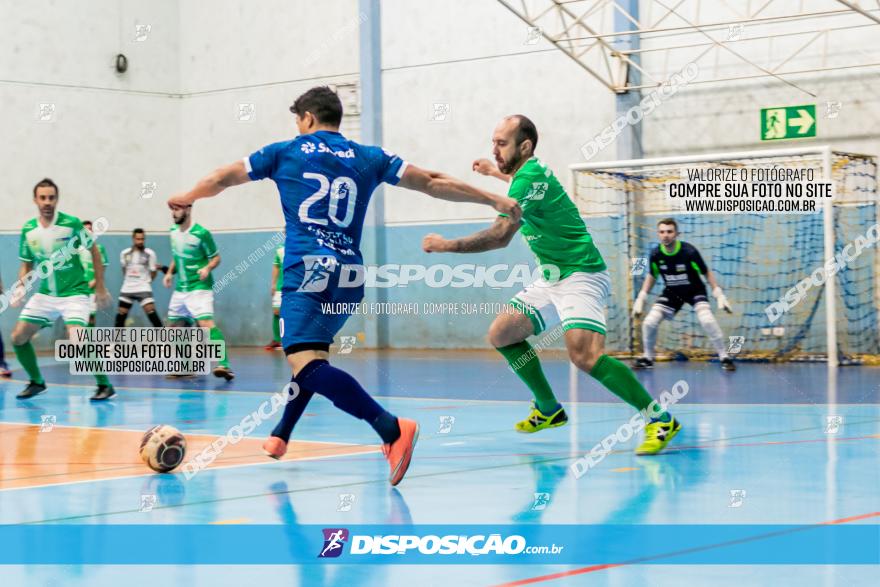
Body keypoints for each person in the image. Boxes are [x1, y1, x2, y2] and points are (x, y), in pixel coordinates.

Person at [167, 86, 520, 485]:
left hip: (308, 271)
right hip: (350, 275)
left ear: (308, 119)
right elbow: (433, 181)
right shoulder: (370, 157)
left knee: (307, 363)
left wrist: (186, 196)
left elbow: (220, 178)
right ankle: (282, 434)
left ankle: (391, 429)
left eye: (297, 121)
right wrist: (492, 199)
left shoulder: (284, 151)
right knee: (312, 359)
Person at [422, 114, 680, 455]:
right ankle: (548, 408)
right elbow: (517, 184)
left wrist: (447, 245)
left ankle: (660, 419)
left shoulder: (525, 181)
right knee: (502, 335)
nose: (495, 149)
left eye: (502, 144)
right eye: (493, 143)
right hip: (552, 276)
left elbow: (499, 237)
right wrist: (493, 172)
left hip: (581, 273)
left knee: (585, 356)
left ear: (524, 146)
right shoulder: (532, 172)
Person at [10, 178, 115, 400]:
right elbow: (26, 264)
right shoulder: (29, 229)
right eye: (43, 198)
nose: (47, 202)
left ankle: (105, 385)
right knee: (18, 337)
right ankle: (37, 382)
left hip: (75, 294)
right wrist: (21, 287)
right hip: (45, 295)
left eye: (51, 197)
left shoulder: (72, 224)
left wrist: (101, 287)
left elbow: (94, 251)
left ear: (57, 199)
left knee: (77, 339)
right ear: (35, 200)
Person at [632, 218, 735, 370]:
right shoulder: (655, 254)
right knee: (649, 322)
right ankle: (648, 358)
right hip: (672, 292)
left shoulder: (689, 252)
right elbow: (652, 275)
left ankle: (724, 357)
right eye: (662, 232)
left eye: (669, 231)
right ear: (658, 234)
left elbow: (706, 272)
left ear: (676, 234)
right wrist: (641, 297)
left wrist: (718, 294)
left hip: (694, 290)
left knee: (707, 320)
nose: (665, 235)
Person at [163, 206, 234, 380]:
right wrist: (169, 273)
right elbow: (176, 255)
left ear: (188, 209)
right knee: (174, 327)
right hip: (181, 288)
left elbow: (216, 257)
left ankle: (224, 365)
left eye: (178, 209)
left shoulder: (201, 233)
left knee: (205, 324)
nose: (174, 213)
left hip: (199, 287)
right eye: (172, 209)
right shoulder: (172, 232)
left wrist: (207, 268)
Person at [116, 228, 163, 327]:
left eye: (142, 239)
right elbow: (124, 270)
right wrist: (129, 280)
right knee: (121, 315)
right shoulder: (124, 253)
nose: (140, 241)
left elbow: (153, 272)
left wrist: (146, 282)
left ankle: (163, 341)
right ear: (133, 239)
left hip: (143, 287)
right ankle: (116, 341)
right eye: (138, 239)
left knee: (151, 312)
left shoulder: (150, 253)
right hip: (127, 288)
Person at [78, 220, 109, 327]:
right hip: (77, 289)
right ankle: (76, 342)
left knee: (91, 317)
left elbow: (102, 269)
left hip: (92, 288)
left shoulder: (99, 249)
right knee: (76, 318)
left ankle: (88, 343)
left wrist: (95, 281)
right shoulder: (75, 250)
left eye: (90, 229)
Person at [264, 242, 283, 351]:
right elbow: (276, 266)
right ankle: (277, 340)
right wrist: (273, 284)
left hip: (294, 287)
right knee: (276, 312)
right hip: (280, 287)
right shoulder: (280, 249)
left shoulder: (301, 246)